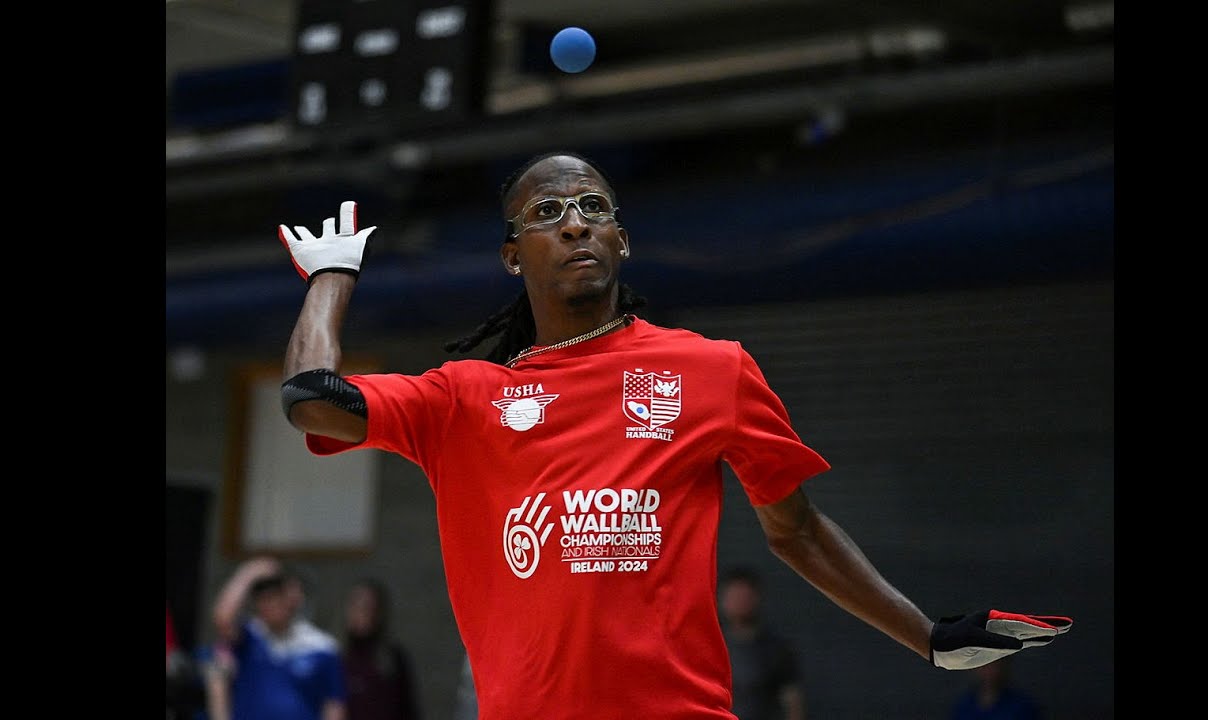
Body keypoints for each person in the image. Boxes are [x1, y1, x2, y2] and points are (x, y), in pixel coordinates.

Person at [274, 150, 1073, 719]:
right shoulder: (466, 400)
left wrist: (927, 637)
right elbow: (312, 398)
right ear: (513, 257)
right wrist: (332, 277)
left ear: (622, 240)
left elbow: (796, 530)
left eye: (594, 208)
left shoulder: (712, 370)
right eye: (548, 213)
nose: (577, 224)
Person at [210, 556, 348, 720]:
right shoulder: (250, 636)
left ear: (293, 596)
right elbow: (223, 618)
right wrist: (248, 574)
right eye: (261, 599)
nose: (267, 605)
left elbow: (334, 706)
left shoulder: (322, 647)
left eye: (273, 596)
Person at [719, 567, 804, 720]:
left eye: (745, 596)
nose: (740, 602)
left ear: (756, 598)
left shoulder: (776, 649)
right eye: (735, 596)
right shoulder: (709, 646)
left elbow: (792, 700)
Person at [341, 578, 420, 720]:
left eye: (367, 607)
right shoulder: (338, 657)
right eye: (356, 606)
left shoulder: (393, 658)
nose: (361, 613)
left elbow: (408, 708)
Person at [949, 656, 1043, 720]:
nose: (988, 671)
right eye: (983, 665)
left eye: (993, 664)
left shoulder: (1021, 706)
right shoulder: (964, 706)